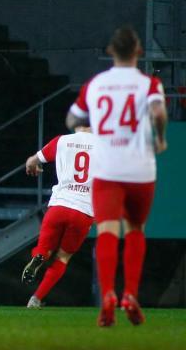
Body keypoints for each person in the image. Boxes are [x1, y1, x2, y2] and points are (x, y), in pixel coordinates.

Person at [65, 26, 168, 327]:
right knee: (136, 229)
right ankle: (130, 295)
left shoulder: (96, 84)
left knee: (107, 230)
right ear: (138, 51)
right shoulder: (150, 83)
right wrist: (160, 138)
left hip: (108, 169)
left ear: (111, 51)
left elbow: (73, 118)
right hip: (140, 168)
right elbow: (159, 113)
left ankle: (108, 293)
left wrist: (90, 118)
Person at [21, 127, 96, 309]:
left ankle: (38, 257)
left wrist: (33, 166)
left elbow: (32, 161)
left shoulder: (62, 140)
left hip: (59, 205)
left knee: (44, 250)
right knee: (62, 257)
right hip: (83, 210)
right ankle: (36, 299)